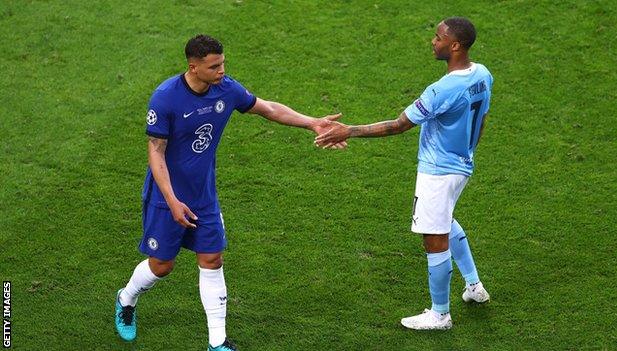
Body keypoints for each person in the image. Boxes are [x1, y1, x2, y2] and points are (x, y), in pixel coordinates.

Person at [114, 34, 345, 351]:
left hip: (203, 194)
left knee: (211, 259)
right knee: (162, 265)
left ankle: (217, 343)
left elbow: (267, 108)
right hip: (166, 196)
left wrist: (312, 123)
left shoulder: (226, 89)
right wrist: (171, 200)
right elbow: (156, 152)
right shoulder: (165, 98)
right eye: (214, 66)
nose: (222, 70)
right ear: (194, 67)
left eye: (222, 63)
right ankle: (127, 299)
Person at [314, 17, 492, 330]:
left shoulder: (441, 90)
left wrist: (348, 131)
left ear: (455, 46)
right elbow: (484, 117)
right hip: (462, 164)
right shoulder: (482, 74)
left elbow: (399, 125)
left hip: (438, 172)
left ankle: (440, 315)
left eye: (438, 38)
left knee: (434, 237)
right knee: (445, 221)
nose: (433, 42)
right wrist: (469, 150)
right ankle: (474, 286)